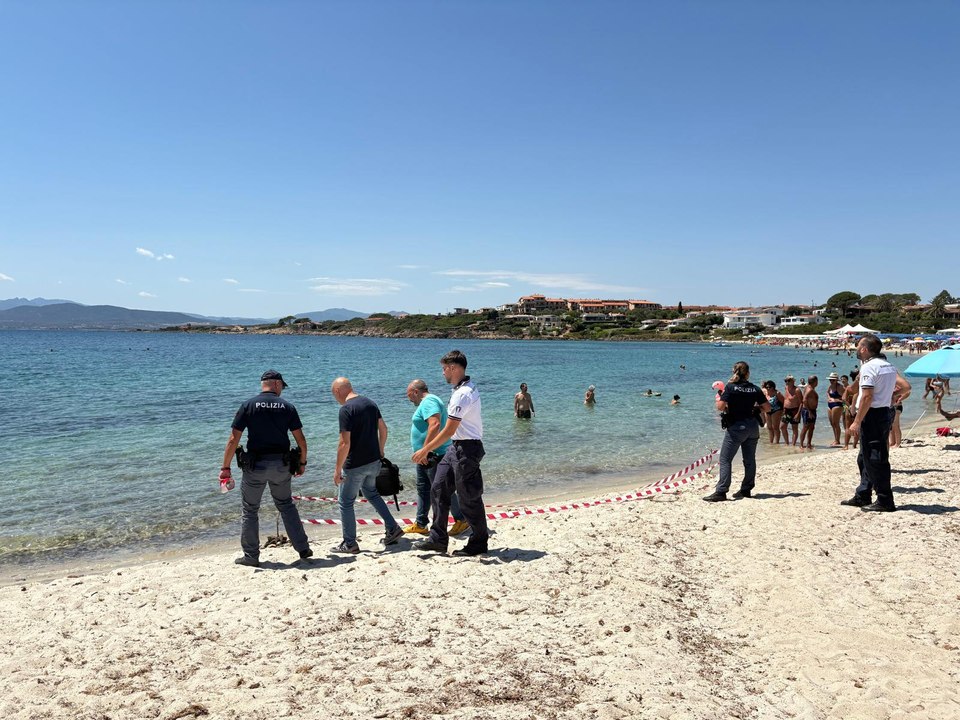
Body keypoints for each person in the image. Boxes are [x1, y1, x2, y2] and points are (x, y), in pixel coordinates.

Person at [220, 370, 312, 567]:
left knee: (250, 510)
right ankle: (303, 548)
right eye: (282, 386)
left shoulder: (248, 405)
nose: (282, 390)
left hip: (255, 466)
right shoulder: (287, 407)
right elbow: (301, 441)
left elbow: (233, 440)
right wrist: (302, 463)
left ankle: (251, 556)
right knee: (286, 505)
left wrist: (225, 467)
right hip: (281, 465)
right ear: (276, 384)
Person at [411, 350, 489, 556]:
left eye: (445, 368)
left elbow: (448, 429)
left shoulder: (463, 394)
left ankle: (479, 543)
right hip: (456, 448)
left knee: (469, 498)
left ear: (454, 368)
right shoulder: (461, 389)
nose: (443, 372)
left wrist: (425, 449)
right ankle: (437, 539)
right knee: (438, 488)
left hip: (467, 449)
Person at [331, 377, 403, 553]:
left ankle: (350, 543)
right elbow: (383, 429)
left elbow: (344, 443)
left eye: (334, 394)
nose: (335, 398)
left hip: (355, 465)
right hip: (373, 461)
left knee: (345, 502)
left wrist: (337, 469)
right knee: (371, 493)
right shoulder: (370, 403)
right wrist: (380, 449)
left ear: (338, 391)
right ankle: (393, 528)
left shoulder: (346, 409)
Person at [840, 335, 911, 512]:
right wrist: (892, 396)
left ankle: (885, 499)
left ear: (864, 349)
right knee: (865, 456)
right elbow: (906, 386)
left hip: (872, 415)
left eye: (858, 346)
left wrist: (856, 421)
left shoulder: (869, 367)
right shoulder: (888, 366)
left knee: (875, 458)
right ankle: (863, 494)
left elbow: (867, 396)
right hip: (883, 412)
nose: (856, 349)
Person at [404, 379, 469, 537]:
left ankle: (461, 519)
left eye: (409, 395)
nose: (408, 399)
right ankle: (421, 523)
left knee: (442, 490)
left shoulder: (429, 401)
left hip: (433, 455)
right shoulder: (429, 402)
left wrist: (425, 450)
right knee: (423, 489)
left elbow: (435, 424)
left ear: (416, 392)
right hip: (426, 455)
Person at [703, 361, 770, 502]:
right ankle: (746, 489)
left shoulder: (731, 387)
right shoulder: (755, 389)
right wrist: (755, 408)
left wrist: (725, 399)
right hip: (752, 426)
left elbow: (720, 407)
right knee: (749, 459)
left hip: (736, 427)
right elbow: (767, 408)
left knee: (725, 459)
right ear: (748, 373)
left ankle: (721, 491)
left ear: (734, 372)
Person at [780, 375, 802, 446]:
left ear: (793, 381)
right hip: (786, 411)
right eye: (785, 381)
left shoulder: (797, 390)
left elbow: (801, 403)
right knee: (782, 427)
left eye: (789, 380)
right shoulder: (786, 388)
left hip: (795, 410)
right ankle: (787, 443)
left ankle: (793, 444)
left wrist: (798, 414)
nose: (787, 382)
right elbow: (785, 399)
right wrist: (783, 409)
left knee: (794, 428)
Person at [798, 376, 819, 450]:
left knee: (811, 427)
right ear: (815, 382)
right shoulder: (809, 389)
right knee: (806, 427)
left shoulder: (808, 388)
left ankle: (808, 444)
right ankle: (801, 445)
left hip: (811, 410)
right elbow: (804, 400)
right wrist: (809, 411)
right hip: (808, 411)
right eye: (817, 381)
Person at [825, 372, 844, 447]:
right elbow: (827, 392)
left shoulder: (840, 387)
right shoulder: (830, 386)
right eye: (830, 380)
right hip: (830, 405)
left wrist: (836, 400)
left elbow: (845, 397)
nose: (831, 381)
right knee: (832, 423)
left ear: (836, 380)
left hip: (837, 405)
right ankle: (835, 439)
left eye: (833, 380)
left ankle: (837, 440)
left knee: (836, 423)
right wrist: (829, 398)